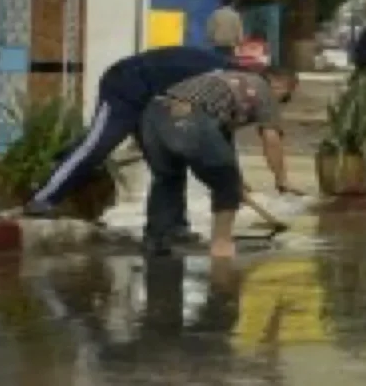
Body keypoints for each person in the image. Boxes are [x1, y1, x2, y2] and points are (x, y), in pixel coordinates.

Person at [24, 44, 267, 230]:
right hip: (125, 85)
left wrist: (232, 178)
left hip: (154, 100)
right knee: (97, 146)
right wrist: (227, 180)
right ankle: (43, 199)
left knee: (167, 165)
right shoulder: (219, 79)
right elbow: (209, 136)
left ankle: (169, 228)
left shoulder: (228, 85)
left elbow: (220, 133)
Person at [139, 66, 300, 258]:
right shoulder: (263, 90)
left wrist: (236, 180)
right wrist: (281, 179)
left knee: (168, 178)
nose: (282, 103)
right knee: (225, 183)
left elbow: (222, 142)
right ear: (280, 84)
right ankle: (221, 246)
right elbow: (271, 138)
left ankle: (160, 239)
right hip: (191, 115)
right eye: (286, 97)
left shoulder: (229, 80)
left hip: (153, 114)